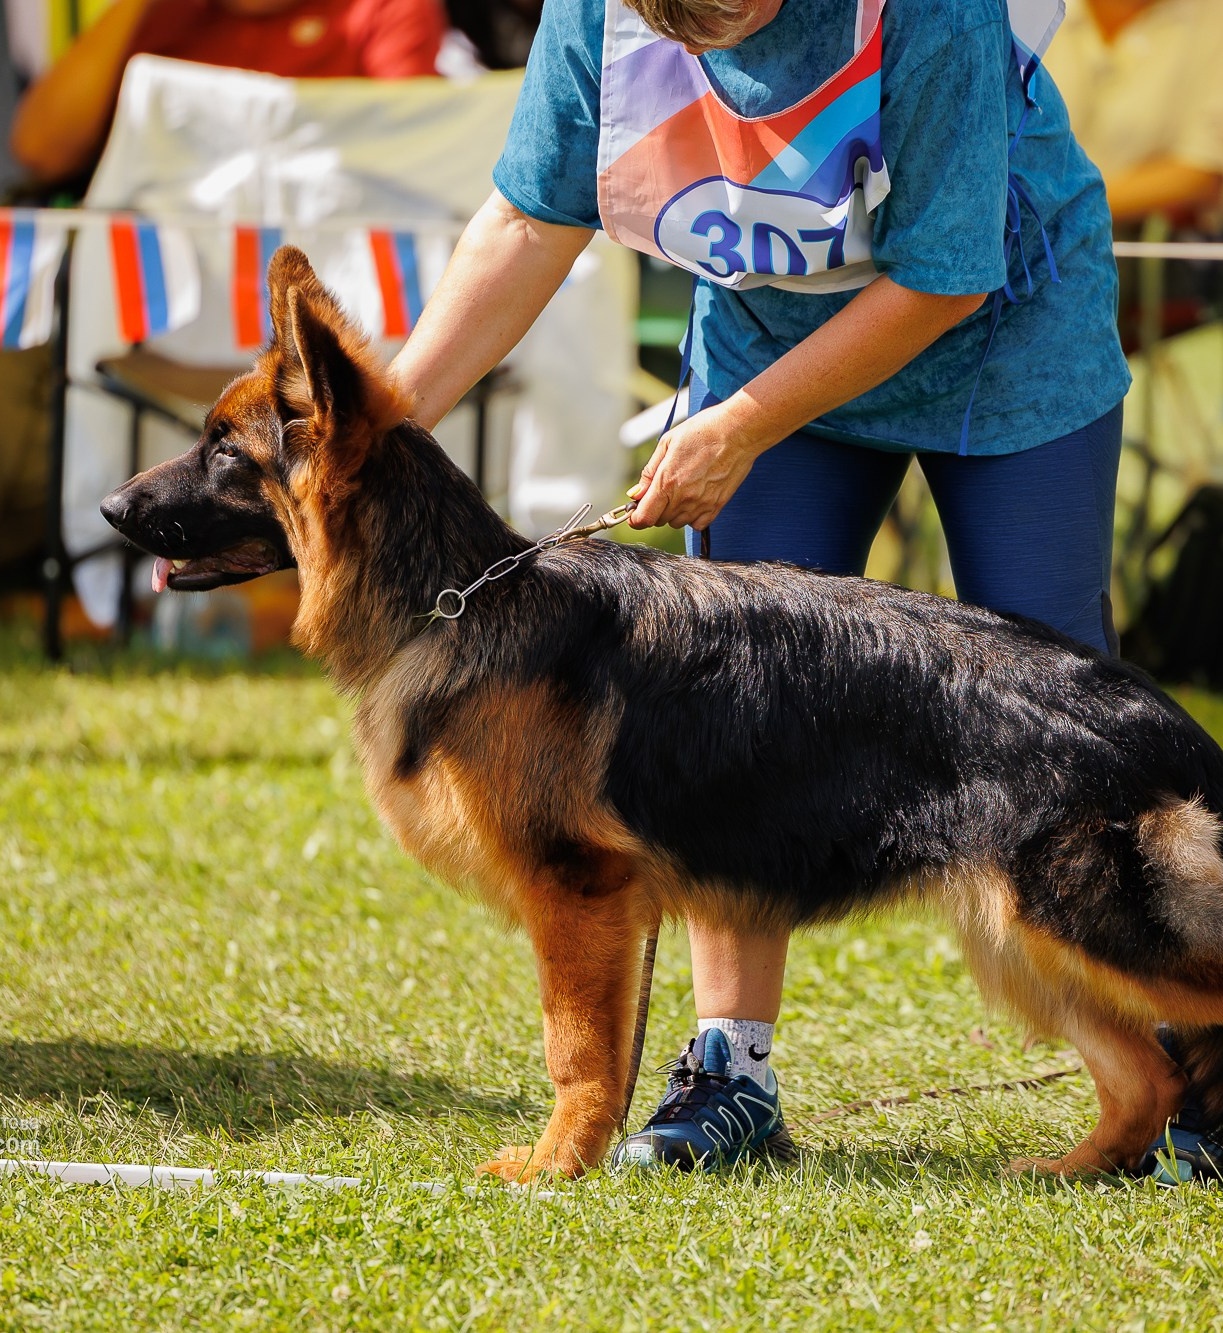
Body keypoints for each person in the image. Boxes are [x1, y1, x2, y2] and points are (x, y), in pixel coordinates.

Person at [386, 0, 1132, 1169]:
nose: (713, 33)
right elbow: (531, 218)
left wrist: (738, 425)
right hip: (765, 340)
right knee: (728, 704)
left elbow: (939, 275)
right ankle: (729, 1077)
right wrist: (385, 423)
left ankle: (1173, 1077)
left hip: (1002, 337)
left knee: (1052, 708)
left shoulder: (928, 11)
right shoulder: (591, 14)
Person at [9, 0, 449, 187]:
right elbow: (40, 149)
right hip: (150, 294)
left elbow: (424, 158)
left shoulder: (381, 9)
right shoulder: (160, 16)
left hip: (328, 296)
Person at [1046, 0, 1223, 229]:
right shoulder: (1016, 10)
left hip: (1143, 246)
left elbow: (1206, 175)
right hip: (1022, 236)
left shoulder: (1220, 19)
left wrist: (1055, 204)